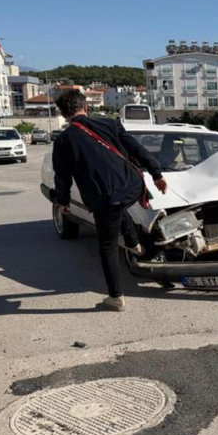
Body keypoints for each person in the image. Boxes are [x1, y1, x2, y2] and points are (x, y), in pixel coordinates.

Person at [52, 90, 167, 311]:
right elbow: (137, 149)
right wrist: (157, 174)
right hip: (132, 187)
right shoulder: (110, 124)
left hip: (105, 198)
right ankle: (133, 242)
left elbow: (62, 176)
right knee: (119, 208)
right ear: (84, 106)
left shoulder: (64, 141)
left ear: (63, 114)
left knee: (107, 247)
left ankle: (116, 297)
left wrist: (63, 201)